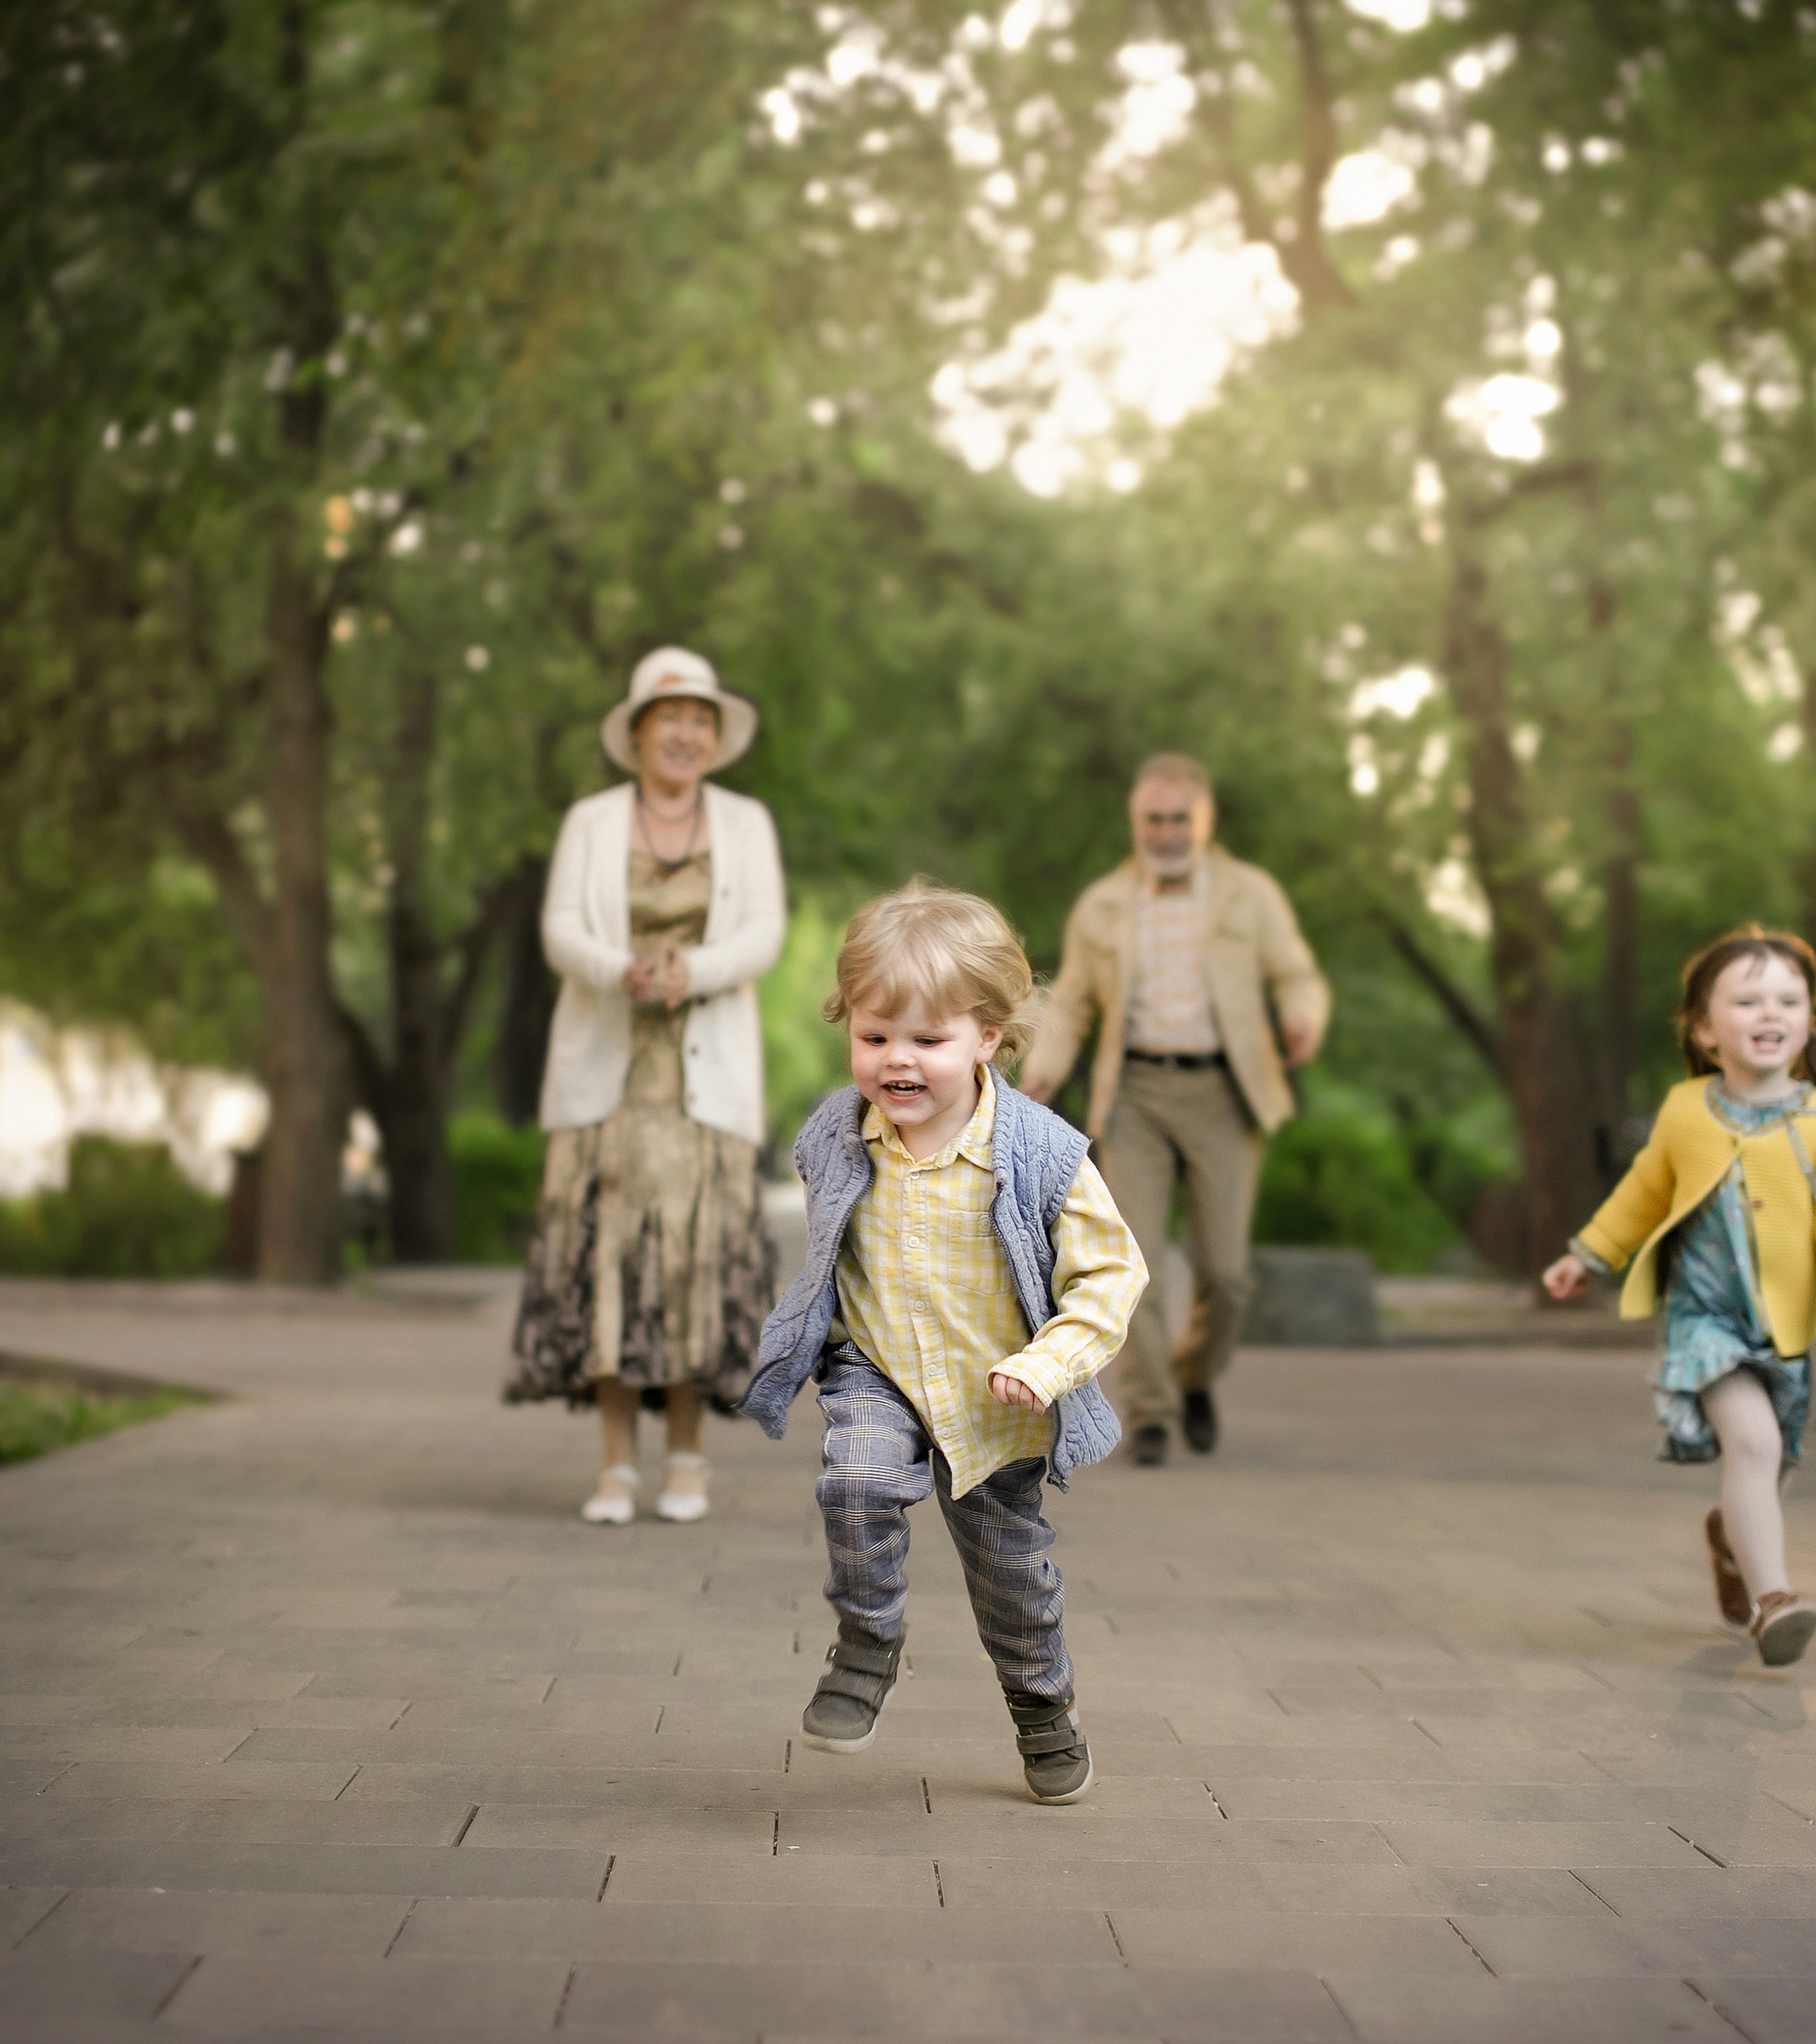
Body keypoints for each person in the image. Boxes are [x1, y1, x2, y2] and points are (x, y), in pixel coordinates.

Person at [740, 883, 1146, 1804]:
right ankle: (867, 1645)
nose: (897, 1060)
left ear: (988, 1038)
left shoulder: (1043, 1154)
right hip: (876, 1372)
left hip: (993, 1398)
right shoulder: (837, 1134)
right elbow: (835, 1245)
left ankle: (1043, 1706)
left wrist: (1044, 1365)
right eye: (875, 1036)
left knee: (1011, 1580)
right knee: (854, 1481)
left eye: (928, 1040)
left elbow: (1112, 1276)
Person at [1542, 925, 1816, 1667]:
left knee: (1774, 1462)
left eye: (1790, 999)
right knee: (1754, 1445)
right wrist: (1589, 1254)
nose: (1772, 1013)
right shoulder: (1686, 1110)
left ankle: (1732, 1547)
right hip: (1706, 1322)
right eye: (1749, 999)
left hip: (1786, 1329)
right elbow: (1642, 1190)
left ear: (1808, 1018)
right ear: (1704, 1027)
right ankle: (1775, 1603)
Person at [506, 647, 787, 1527]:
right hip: (606, 1082)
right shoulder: (591, 820)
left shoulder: (745, 821)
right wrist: (619, 969)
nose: (685, 732)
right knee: (607, 1261)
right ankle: (616, 1465)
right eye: (669, 717)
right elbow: (557, 928)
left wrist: (691, 968)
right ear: (636, 733)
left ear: (715, 737)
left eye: (700, 719)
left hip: (707, 1090)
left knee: (692, 1265)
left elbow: (765, 932)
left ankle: (689, 1457)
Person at [1020, 755, 1329, 1465]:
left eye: (1179, 818)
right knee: (1136, 1259)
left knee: (1227, 1273)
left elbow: (1295, 973)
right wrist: (1044, 1066)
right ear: (1136, 824)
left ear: (1206, 820)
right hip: (1134, 1096)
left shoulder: (1250, 896)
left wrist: (1302, 1015)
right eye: (1153, 819)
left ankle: (1192, 1377)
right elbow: (1068, 1002)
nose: (1166, 832)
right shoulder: (1103, 905)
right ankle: (1151, 1410)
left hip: (1225, 1092)